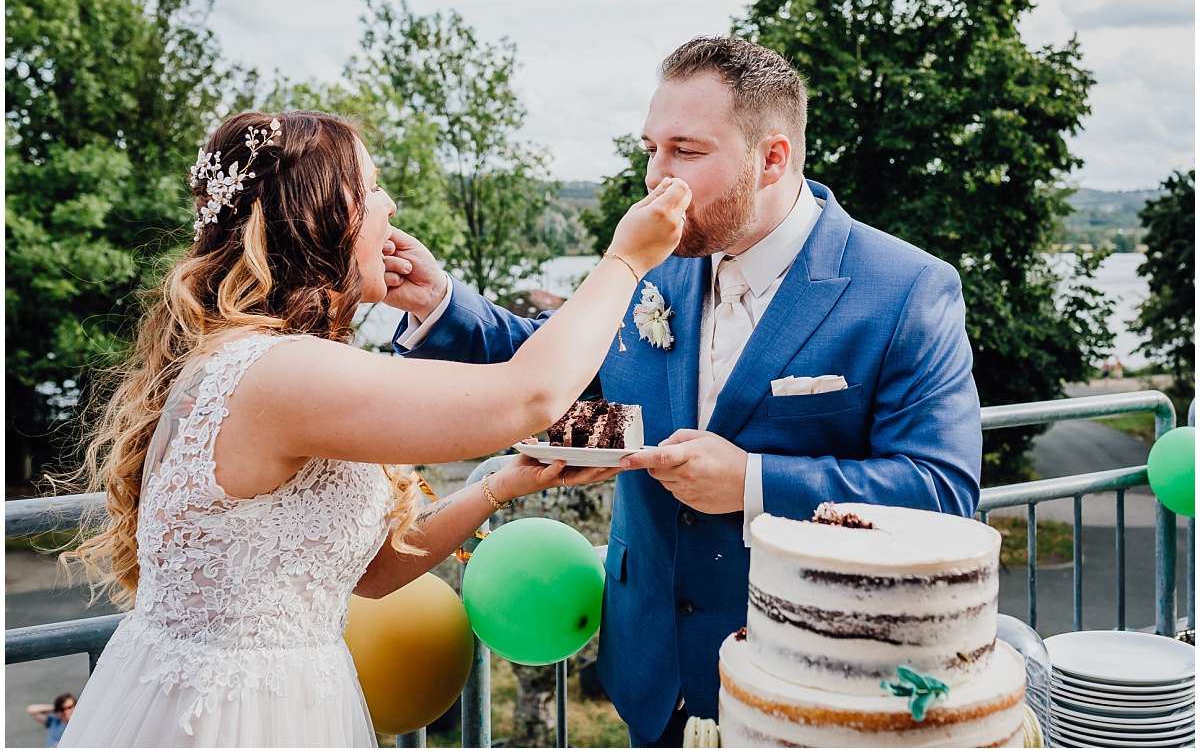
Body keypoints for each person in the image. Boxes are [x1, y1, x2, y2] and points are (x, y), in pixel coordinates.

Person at [386, 37, 983, 745]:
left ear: (772, 158)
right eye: (650, 148)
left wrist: (753, 481)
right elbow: (555, 356)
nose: (655, 177)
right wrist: (442, 304)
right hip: (654, 673)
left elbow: (942, 491)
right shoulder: (656, 262)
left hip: (811, 685)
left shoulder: (906, 289)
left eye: (685, 151)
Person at [54, 110, 690, 746]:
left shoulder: (256, 358)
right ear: (330, 219)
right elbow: (531, 397)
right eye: (374, 186)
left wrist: (499, 488)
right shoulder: (280, 372)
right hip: (237, 718)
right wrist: (627, 260)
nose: (389, 206)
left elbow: (371, 574)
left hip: (283, 694)